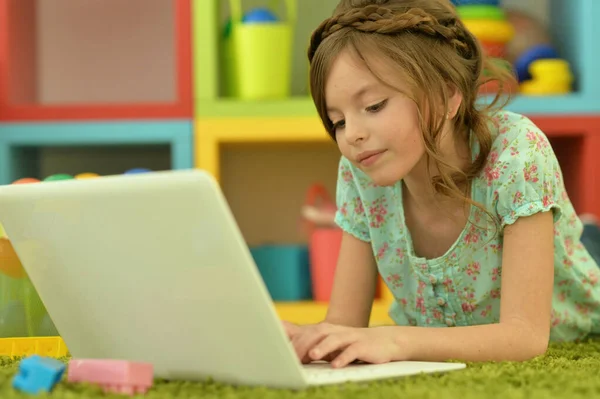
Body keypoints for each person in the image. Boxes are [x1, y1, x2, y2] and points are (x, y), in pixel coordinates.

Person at [282, 0, 600, 368]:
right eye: (337, 121)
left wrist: (396, 338)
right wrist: (312, 341)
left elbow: (525, 336)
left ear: (448, 95)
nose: (352, 135)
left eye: (373, 106)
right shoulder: (360, 176)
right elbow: (344, 324)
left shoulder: (517, 156)